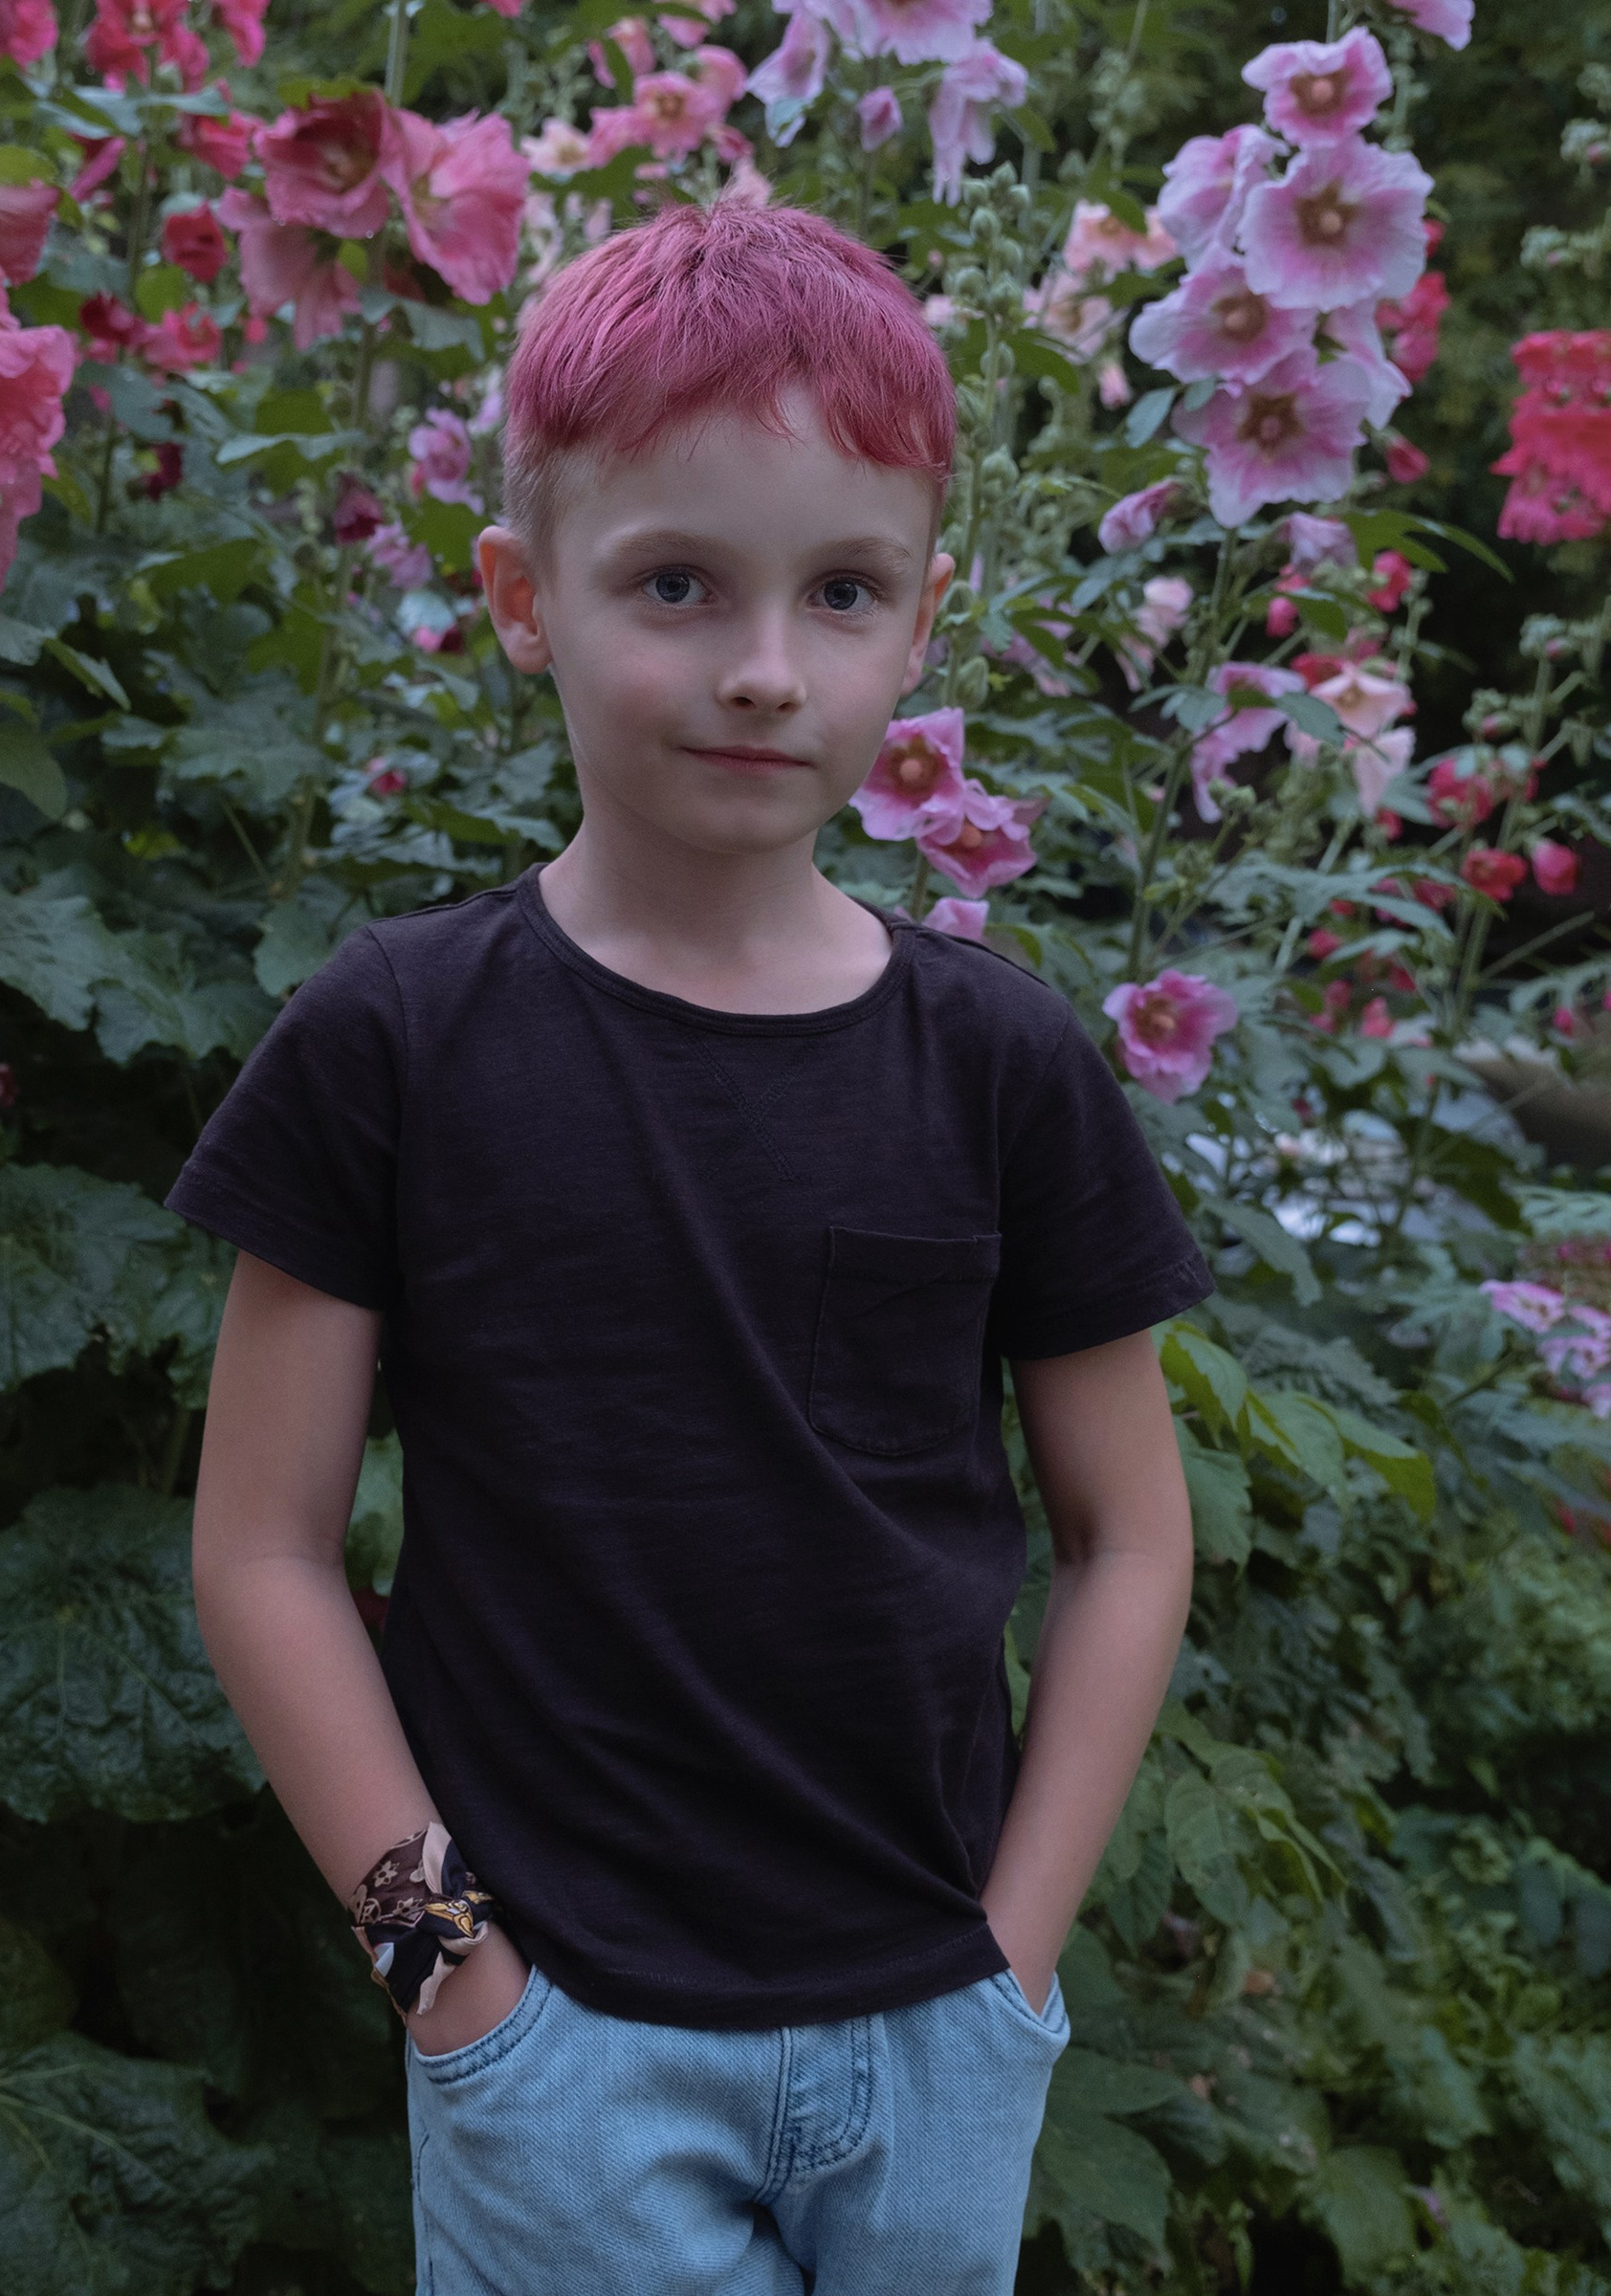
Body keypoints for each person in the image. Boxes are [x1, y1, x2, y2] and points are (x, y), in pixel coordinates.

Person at [172, 199, 1210, 2296]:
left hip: (935, 2042)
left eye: (842, 591)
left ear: (923, 622)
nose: (763, 667)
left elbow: (1130, 1538)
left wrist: (1011, 1966)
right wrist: (452, 1985)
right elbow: (261, 1550)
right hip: (563, 2058)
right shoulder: (395, 1041)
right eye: (676, 582)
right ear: (521, 597)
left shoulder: (1000, 1063)